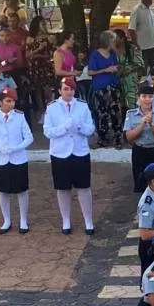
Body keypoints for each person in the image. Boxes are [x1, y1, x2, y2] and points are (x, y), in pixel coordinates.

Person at [43, 77, 95, 235]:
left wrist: (79, 126)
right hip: (60, 152)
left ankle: (88, 220)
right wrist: (63, 128)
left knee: (84, 187)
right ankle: (66, 220)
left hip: (79, 151)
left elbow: (90, 128)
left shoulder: (82, 106)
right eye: (65, 89)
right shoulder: (52, 108)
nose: (69, 92)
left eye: (71, 89)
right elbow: (47, 131)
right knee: (63, 188)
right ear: (59, 91)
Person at [0, 88, 33, 234]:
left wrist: (17, 147)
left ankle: (23, 220)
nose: (11, 104)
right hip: (1, 159)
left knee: (22, 190)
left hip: (18, 158)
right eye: (8, 101)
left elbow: (29, 137)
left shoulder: (19, 116)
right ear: (0, 102)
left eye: (13, 101)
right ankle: (6, 220)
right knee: (3, 191)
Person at [124, 85, 154, 192]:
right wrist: (142, 124)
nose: (147, 100)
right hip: (140, 151)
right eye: (144, 96)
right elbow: (128, 137)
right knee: (140, 183)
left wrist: (152, 123)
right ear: (139, 98)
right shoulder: (131, 114)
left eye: (150, 96)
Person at [89, 30, 123, 148]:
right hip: (100, 87)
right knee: (101, 113)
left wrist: (116, 68)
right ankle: (102, 137)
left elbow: (116, 65)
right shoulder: (95, 55)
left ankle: (118, 136)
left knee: (115, 112)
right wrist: (105, 70)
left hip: (113, 86)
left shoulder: (113, 53)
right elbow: (90, 71)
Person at [25, 17, 56, 117]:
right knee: (37, 90)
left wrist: (39, 55)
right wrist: (38, 49)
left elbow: (52, 54)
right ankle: (42, 112)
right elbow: (27, 55)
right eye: (42, 24)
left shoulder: (50, 38)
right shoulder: (30, 39)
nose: (44, 26)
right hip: (35, 67)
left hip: (46, 66)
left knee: (48, 89)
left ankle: (50, 110)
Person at [113, 29, 144, 113]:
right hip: (116, 81)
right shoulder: (111, 51)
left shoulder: (132, 49)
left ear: (122, 39)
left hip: (130, 81)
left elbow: (139, 64)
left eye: (115, 38)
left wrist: (126, 70)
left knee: (132, 105)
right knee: (119, 106)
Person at [128, 0, 154, 67]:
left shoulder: (152, 10)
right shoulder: (137, 10)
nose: (152, 0)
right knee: (143, 69)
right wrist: (136, 44)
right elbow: (131, 29)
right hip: (143, 47)